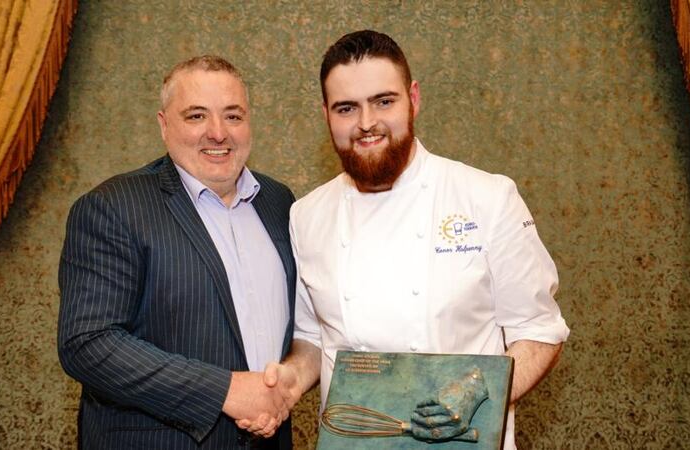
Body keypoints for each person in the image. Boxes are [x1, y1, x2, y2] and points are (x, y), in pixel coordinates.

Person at [243, 30, 570, 448]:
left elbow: (539, 330)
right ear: (326, 114)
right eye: (347, 108)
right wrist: (288, 382)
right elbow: (314, 338)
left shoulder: (487, 198)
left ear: (413, 99)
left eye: (384, 101)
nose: (366, 123)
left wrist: (476, 393)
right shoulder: (307, 215)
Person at [58, 55, 296, 449]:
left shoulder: (279, 202)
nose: (218, 133)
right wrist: (225, 391)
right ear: (164, 125)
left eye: (233, 116)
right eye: (197, 116)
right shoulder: (113, 206)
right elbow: (88, 344)